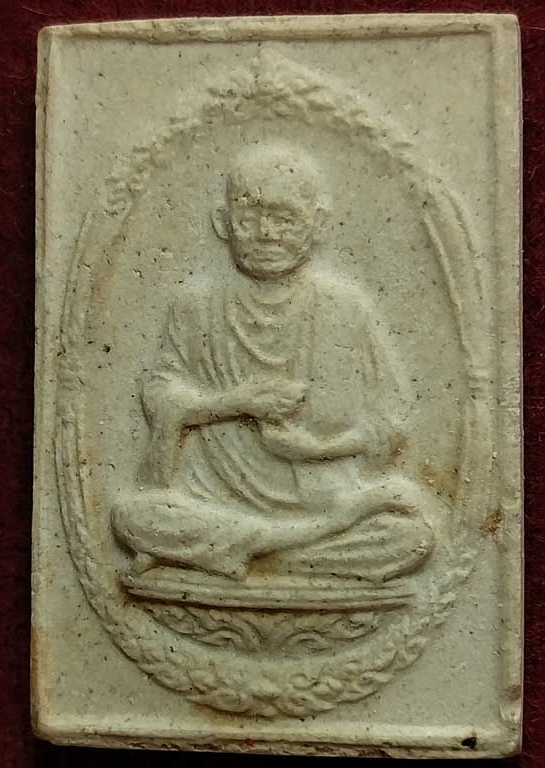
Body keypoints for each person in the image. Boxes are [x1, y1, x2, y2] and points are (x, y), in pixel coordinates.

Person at [112, 142, 435, 583]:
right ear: (223, 223)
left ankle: (250, 555)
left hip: (323, 498)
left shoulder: (346, 309)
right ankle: (288, 552)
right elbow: (160, 396)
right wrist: (234, 403)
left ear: (317, 224)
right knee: (132, 517)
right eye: (250, 219)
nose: (267, 233)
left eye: (285, 219)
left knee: (412, 537)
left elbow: (391, 423)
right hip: (213, 500)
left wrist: (316, 449)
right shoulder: (194, 307)